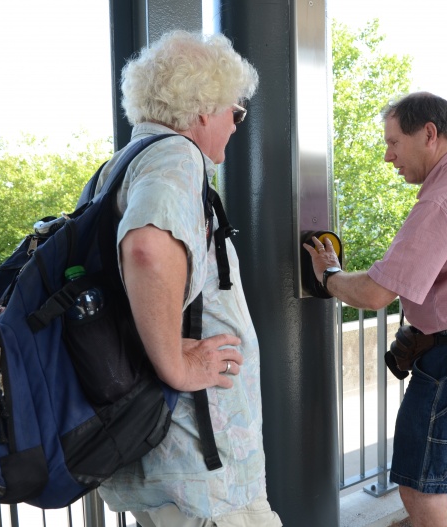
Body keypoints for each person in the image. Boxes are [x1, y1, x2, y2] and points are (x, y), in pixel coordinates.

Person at [305, 92, 447, 527]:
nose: (389, 158)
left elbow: (375, 294)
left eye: (393, 143)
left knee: (419, 488)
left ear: (429, 133)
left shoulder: (443, 197)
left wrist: (329, 276)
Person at [86, 31, 282, 526]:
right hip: (200, 465)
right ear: (202, 110)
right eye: (234, 113)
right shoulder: (176, 157)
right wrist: (176, 363)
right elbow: (147, 249)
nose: (237, 127)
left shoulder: (119, 165)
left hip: (157, 447)